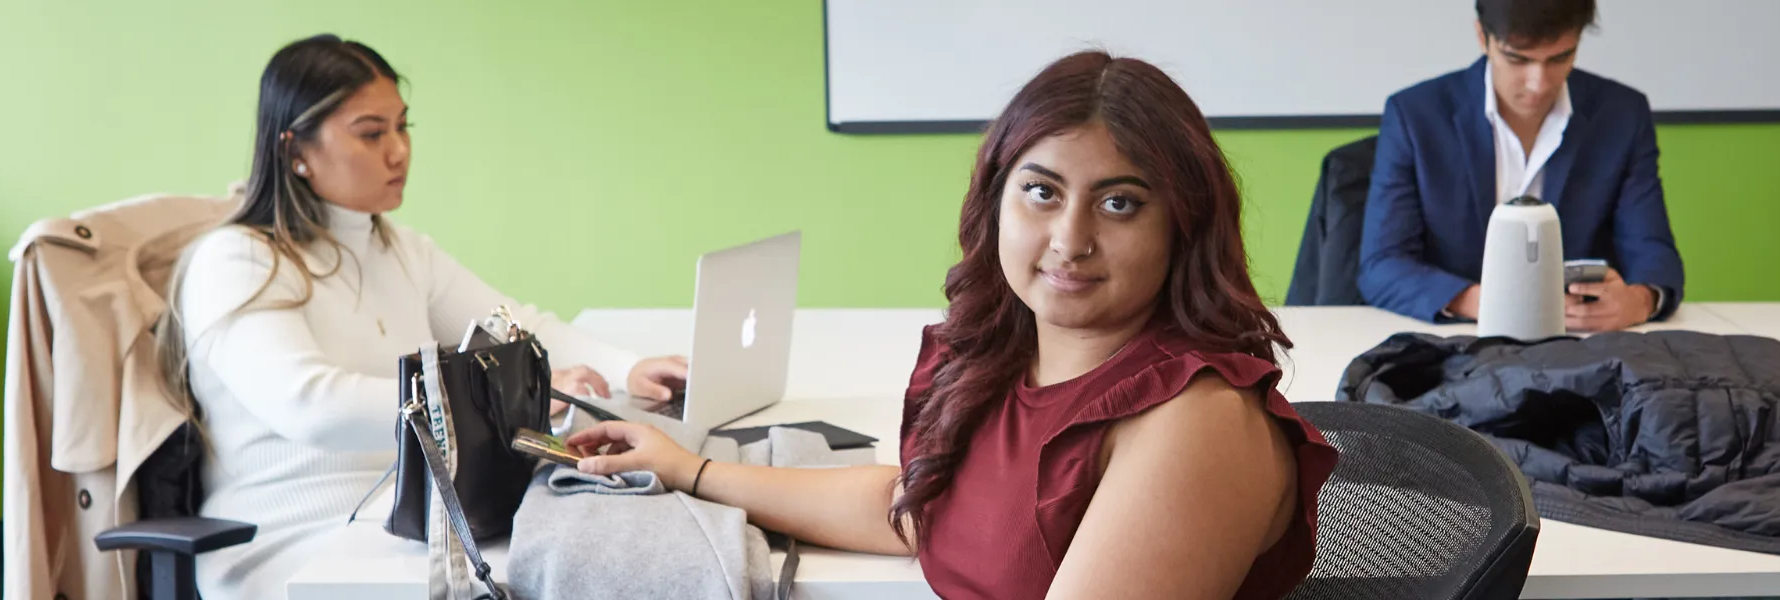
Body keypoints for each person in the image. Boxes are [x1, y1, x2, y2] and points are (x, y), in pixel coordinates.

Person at [567, 51, 1338, 600]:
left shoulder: (1194, 420)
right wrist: (690, 470)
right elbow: (913, 512)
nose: (1070, 239)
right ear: (995, 201)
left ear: (1184, 224)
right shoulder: (1003, 360)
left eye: (1120, 203)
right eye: (1042, 192)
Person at [155, 35, 688, 599]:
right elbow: (311, 406)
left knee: (622, 549)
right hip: (289, 543)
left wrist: (629, 369)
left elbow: (518, 330)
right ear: (295, 151)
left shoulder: (402, 251)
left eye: (402, 127)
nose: (398, 151)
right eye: (371, 133)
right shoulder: (237, 261)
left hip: (413, 517)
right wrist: (497, 402)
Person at [1358, 0, 1685, 331]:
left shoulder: (1622, 114)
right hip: (1454, 338)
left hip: (1576, 343)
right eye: (1517, 59)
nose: (1538, 83)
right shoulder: (1416, 115)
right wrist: (1487, 303)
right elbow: (1382, 265)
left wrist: (1640, 300)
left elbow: (1653, 251)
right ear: (1482, 37)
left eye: (1560, 58)